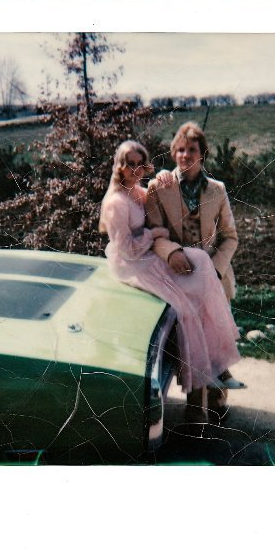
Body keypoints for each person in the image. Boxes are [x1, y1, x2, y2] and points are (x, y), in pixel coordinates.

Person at [99, 140, 243, 423]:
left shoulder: (136, 191)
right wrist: (154, 235)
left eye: (140, 164)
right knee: (186, 307)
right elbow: (126, 248)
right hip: (132, 263)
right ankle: (201, 395)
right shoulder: (116, 202)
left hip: (145, 256)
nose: (135, 170)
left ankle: (214, 379)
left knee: (200, 263)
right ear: (120, 167)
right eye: (129, 164)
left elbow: (153, 193)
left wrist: (163, 175)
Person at [145, 121, 243, 423]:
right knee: (189, 342)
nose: (185, 155)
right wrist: (170, 252)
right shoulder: (159, 187)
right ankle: (195, 410)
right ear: (173, 153)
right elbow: (154, 232)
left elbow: (230, 237)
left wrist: (214, 270)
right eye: (180, 150)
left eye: (191, 150)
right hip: (177, 278)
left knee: (213, 340)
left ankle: (216, 399)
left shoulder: (217, 190)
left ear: (202, 154)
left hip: (213, 280)